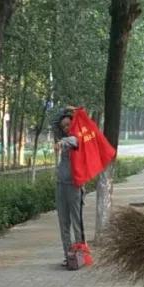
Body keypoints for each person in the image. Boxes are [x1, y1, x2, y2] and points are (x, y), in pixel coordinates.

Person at [53, 107, 86, 265]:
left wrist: (62, 141)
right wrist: (64, 111)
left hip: (74, 186)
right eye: (64, 126)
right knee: (63, 222)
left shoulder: (76, 138)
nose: (66, 128)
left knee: (76, 221)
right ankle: (69, 256)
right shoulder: (62, 137)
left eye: (68, 125)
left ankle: (80, 254)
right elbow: (54, 123)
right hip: (61, 185)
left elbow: (74, 140)